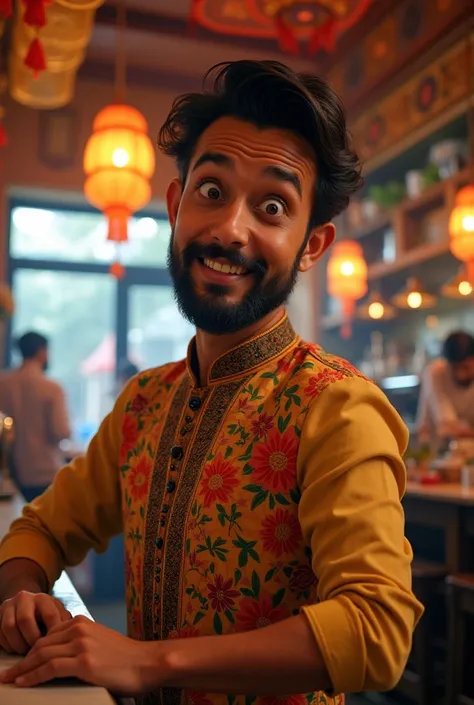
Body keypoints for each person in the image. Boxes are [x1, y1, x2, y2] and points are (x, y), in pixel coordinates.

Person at [0, 61, 422, 703]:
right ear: (175, 206)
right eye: (212, 190)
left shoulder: (336, 406)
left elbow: (376, 631)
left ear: (312, 245)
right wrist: (23, 597)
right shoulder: (144, 402)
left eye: (273, 206)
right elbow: (40, 529)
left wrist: (148, 662)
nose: (230, 228)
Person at [0, 331, 70, 502]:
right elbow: (61, 431)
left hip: (11, 473)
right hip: (43, 472)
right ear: (41, 351)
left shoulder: (3, 384)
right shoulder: (51, 388)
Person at [417, 331, 474, 442]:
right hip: (434, 447)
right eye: (454, 368)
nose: (460, 375)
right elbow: (449, 425)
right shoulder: (435, 373)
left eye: (466, 367)